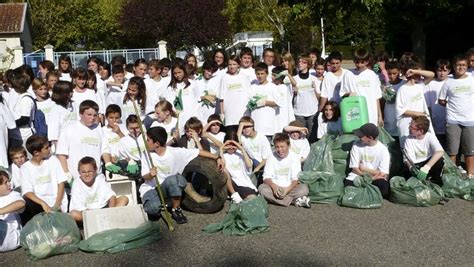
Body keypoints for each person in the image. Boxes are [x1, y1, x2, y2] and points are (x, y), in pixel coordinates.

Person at [140, 126, 224, 224]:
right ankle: (163, 203)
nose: (146, 142)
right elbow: (144, 176)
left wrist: (217, 158)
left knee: (174, 180)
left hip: (168, 185)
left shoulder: (175, 152)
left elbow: (198, 152)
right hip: (152, 188)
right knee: (153, 210)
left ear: (157, 143)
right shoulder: (146, 154)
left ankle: (176, 209)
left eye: (148, 140)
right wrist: (150, 175)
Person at [56, 100, 117, 182]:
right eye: (89, 115)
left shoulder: (98, 129)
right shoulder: (69, 129)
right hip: (77, 177)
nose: (92, 118)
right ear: (80, 114)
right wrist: (66, 173)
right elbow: (61, 154)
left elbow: (105, 149)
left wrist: (108, 163)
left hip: (97, 177)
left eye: (95, 115)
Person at [438, 54, 474, 178]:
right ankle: (451, 177)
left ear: (467, 66)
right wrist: (453, 106)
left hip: (470, 120)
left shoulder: (472, 78)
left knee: (470, 151)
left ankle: (471, 175)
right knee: (452, 150)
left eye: (463, 65)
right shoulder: (448, 81)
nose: (461, 67)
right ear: (454, 66)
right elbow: (441, 100)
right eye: (458, 65)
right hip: (453, 120)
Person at [20, 135, 68, 224]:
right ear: (36, 152)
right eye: (46, 148)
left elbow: (61, 183)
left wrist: (57, 204)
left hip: (57, 201)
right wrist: (43, 203)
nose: (50, 149)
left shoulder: (53, 160)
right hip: (39, 204)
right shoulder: (25, 168)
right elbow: (28, 192)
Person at [69, 157, 129, 223]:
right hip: (87, 213)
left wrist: (110, 211)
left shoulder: (100, 178)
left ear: (95, 171)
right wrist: (94, 215)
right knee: (74, 214)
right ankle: (99, 221)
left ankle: (108, 219)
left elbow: (111, 196)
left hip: (104, 210)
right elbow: (79, 207)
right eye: (83, 172)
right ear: (79, 172)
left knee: (124, 199)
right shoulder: (76, 183)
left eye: (90, 171)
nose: (87, 174)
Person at [258, 133, 310, 208]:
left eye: (282, 147)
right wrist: (274, 187)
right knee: (262, 189)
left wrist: (287, 190)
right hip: (274, 188)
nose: (279, 150)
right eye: (277, 147)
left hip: (290, 188)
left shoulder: (294, 157)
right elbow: (266, 177)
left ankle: (275, 200)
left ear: (289, 146)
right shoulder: (271, 156)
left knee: (304, 189)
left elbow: (295, 179)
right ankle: (294, 201)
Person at [345, 123, 390, 198]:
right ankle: (369, 194)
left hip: (375, 178)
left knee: (384, 190)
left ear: (370, 138)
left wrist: (364, 169)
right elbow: (355, 169)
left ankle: (363, 193)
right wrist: (368, 178)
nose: (359, 137)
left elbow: (383, 173)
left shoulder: (383, 150)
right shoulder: (356, 145)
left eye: (361, 136)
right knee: (348, 186)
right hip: (359, 175)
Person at [340, 48, 383, 126]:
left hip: (371, 114)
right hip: (354, 114)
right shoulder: (348, 74)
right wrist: (348, 94)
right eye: (357, 62)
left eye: (362, 62)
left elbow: (376, 97)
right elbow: (342, 93)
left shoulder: (372, 75)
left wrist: (380, 116)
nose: (359, 65)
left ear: (367, 62)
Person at [395, 62, 434, 145]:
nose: (421, 75)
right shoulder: (402, 89)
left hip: (421, 124)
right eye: (417, 73)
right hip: (408, 125)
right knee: (408, 147)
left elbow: (432, 75)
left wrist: (416, 71)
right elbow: (400, 110)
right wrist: (418, 114)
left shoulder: (420, 85)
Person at [403, 116, 444, 185]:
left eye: (411, 128)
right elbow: (408, 159)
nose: (409, 129)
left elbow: (440, 152)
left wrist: (426, 167)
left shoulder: (430, 137)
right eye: (409, 126)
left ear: (421, 131)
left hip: (428, 163)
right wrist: (412, 169)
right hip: (416, 165)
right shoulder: (408, 139)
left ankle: (436, 182)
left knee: (439, 160)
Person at [220, 132, 258, 204]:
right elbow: (223, 165)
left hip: (243, 182)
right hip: (231, 182)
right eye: (228, 145)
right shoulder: (223, 155)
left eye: (233, 145)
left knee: (253, 198)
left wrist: (241, 148)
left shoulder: (240, 154)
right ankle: (234, 195)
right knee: (224, 170)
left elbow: (249, 165)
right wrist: (222, 148)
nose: (231, 147)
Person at [164, 61, 200, 134]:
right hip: (179, 118)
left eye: (179, 72)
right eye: (175, 73)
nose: (177, 75)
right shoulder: (170, 88)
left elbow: (197, 99)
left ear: (184, 71)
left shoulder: (192, 84)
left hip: (192, 117)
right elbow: (170, 104)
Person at [218, 55, 252, 128]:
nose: (232, 66)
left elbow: (250, 95)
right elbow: (221, 98)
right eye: (230, 64)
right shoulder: (224, 78)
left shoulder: (244, 77)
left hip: (243, 114)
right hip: (229, 115)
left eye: (234, 64)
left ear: (238, 65)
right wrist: (222, 113)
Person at [424, 59, 450, 148]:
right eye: (440, 70)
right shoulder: (431, 84)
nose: (442, 73)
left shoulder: (451, 81)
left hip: (450, 121)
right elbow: (428, 106)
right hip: (436, 123)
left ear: (449, 71)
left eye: (445, 70)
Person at [293, 54, 320, 134]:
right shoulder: (294, 79)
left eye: (303, 62)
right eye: (299, 62)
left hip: (312, 112)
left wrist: (314, 89)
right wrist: (294, 92)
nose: (300, 64)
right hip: (299, 112)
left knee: (312, 136)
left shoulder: (314, 79)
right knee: (301, 136)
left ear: (308, 65)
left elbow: (319, 97)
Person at [250, 62, 279, 137]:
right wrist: (252, 104)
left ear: (267, 74)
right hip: (255, 127)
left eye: (262, 74)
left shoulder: (273, 87)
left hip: (268, 127)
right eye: (258, 74)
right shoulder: (252, 87)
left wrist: (265, 102)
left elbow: (278, 103)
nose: (260, 76)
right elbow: (249, 103)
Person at [0, 170, 25, 252]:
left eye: (8, 181)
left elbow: (21, 203)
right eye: (5, 183)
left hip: (11, 237)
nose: (9, 184)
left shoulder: (12, 194)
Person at [48, 81, 77, 151]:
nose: (72, 93)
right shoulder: (55, 109)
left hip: (74, 141)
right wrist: (60, 151)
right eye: (70, 91)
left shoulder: (74, 104)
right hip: (62, 145)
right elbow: (54, 134)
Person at [382, 61, 406, 139]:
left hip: (401, 123)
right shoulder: (386, 85)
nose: (391, 76)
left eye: (394, 73)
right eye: (389, 74)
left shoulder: (404, 84)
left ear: (399, 72)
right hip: (389, 123)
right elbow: (382, 103)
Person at [272, 66, 295, 131]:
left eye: (274, 75)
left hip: (283, 116)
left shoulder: (284, 87)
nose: (272, 77)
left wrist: (287, 74)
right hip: (275, 117)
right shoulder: (273, 86)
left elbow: (295, 83)